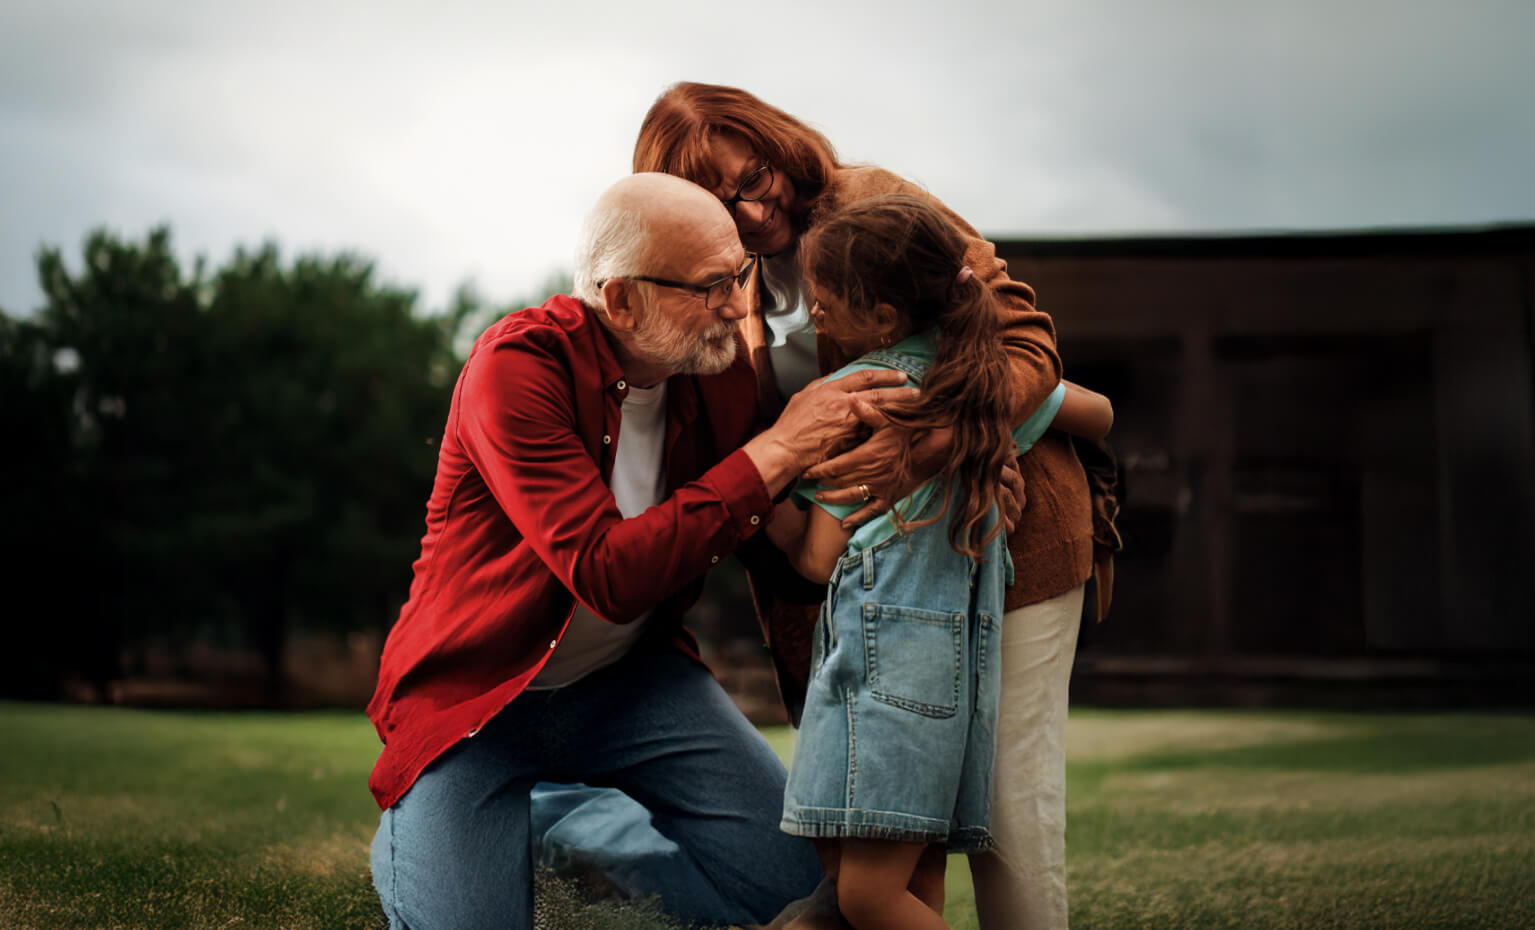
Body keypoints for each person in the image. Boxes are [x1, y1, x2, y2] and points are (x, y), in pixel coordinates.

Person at [364, 172, 912, 929]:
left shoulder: (714, 373)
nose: (735, 303)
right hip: (477, 703)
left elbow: (781, 526)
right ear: (619, 298)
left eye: (738, 275)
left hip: (633, 685)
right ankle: (509, 823)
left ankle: (583, 830)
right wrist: (776, 449)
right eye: (710, 285)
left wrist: (939, 464)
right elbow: (606, 573)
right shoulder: (515, 370)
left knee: (804, 897)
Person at [632, 82, 1117, 930]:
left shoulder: (870, 207)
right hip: (873, 595)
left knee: (1008, 809)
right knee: (886, 837)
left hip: (1004, 541)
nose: (750, 210)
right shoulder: (723, 280)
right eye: (720, 202)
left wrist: (934, 445)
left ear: (778, 145)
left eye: (754, 177)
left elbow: (1024, 347)